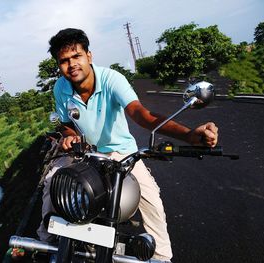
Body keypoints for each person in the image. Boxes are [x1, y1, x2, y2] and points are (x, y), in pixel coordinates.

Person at [37, 28, 218, 262]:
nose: (71, 64)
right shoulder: (61, 88)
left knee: (152, 202)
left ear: (89, 56)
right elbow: (64, 123)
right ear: (59, 65)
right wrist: (71, 137)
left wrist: (190, 135)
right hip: (85, 153)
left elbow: (142, 114)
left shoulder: (112, 79)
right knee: (53, 183)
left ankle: (162, 257)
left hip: (121, 152)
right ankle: (44, 245)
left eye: (76, 56)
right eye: (64, 61)